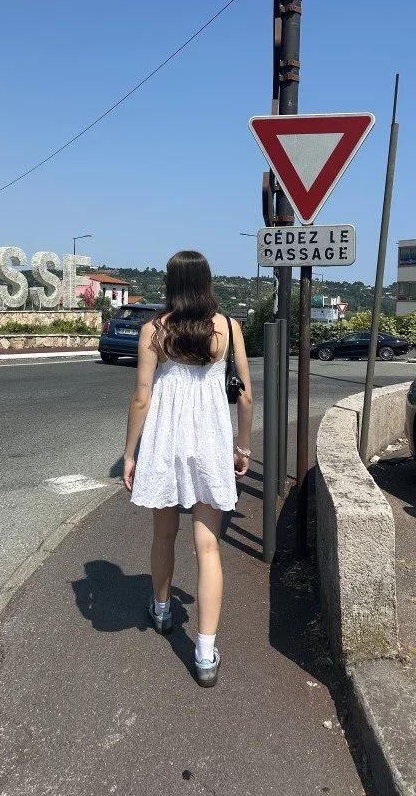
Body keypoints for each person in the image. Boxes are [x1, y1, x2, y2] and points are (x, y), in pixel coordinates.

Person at [122, 250, 253, 687]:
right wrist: (244, 448)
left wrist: (129, 454)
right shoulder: (228, 329)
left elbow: (142, 397)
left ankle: (161, 611)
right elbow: (246, 397)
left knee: (164, 534)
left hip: (166, 444)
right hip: (211, 444)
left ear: (171, 284)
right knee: (209, 546)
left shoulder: (153, 331)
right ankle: (204, 650)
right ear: (208, 281)